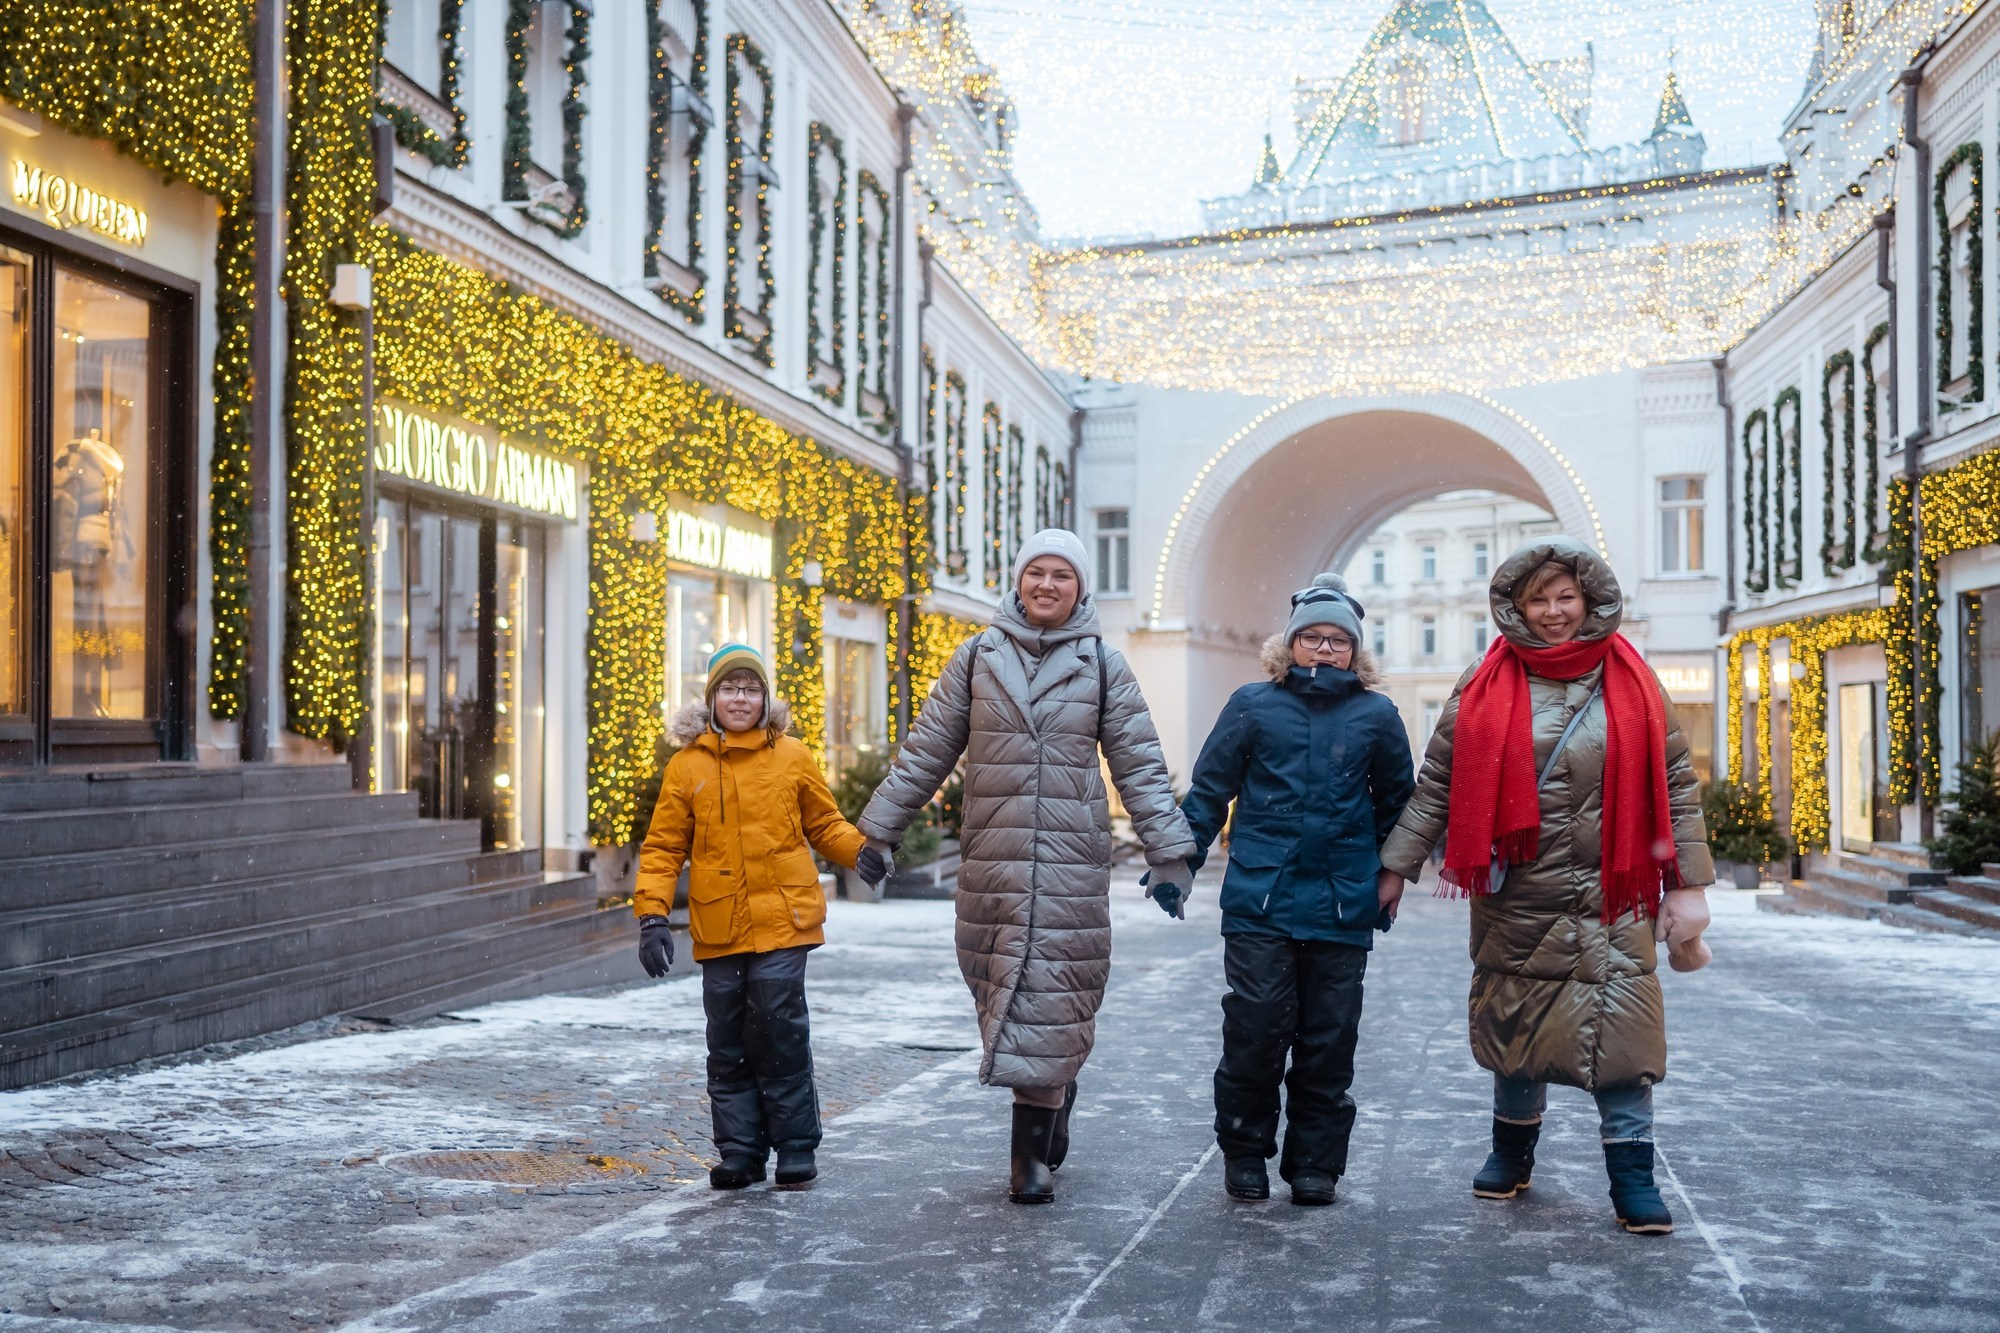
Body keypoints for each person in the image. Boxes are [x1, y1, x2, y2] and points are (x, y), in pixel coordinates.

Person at [1377, 538, 1713, 1235]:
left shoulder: (1632, 678)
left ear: (1590, 600)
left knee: (1624, 1034)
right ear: (1517, 606)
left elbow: (1676, 785)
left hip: (1613, 890)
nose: (1555, 611)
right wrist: (1396, 866)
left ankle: (1633, 1178)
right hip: (1518, 893)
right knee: (1518, 1025)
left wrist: (1689, 884)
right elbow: (1438, 783)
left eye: (1567, 597)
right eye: (1540, 599)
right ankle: (1510, 1153)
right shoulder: (1484, 680)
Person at [854, 529, 1196, 1205]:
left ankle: (1028, 1155)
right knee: (1002, 986)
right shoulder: (976, 657)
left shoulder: (1103, 666)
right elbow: (928, 748)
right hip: (995, 863)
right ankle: (1053, 1089)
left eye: (1061, 575)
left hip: (1070, 863)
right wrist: (879, 831)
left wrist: (1168, 853)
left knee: (1051, 991)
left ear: (1080, 588)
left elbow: (1139, 764)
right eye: (1036, 571)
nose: (1046, 584)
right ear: (1018, 580)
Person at [1171, 573, 1414, 1206]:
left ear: (1355, 651)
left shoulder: (1377, 715)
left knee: (1329, 1038)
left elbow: (1400, 804)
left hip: (1342, 899)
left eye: (1339, 640)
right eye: (1313, 637)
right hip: (1262, 895)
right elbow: (1209, 790)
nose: (1325, 649)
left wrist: (1394, 872)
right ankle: (1245, 1151)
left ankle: (1315, 1164)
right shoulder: (1253, 705)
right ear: (1291, 643)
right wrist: (1179, 860)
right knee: (1255, 1029)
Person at [632, 644, 866, 1191]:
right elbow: (664, 847)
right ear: (712, 698)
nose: (741, 699)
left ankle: (796, 1145)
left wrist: (862, 852)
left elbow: (824, 824)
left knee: (779, 1030)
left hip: (785, 917)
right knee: (728, 1040)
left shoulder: (793, 756)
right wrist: (652, 917)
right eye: (730, 689)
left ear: (765, 699)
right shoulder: (686, 766)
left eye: (751, 689)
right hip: (721, 923)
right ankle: (740, 1151)